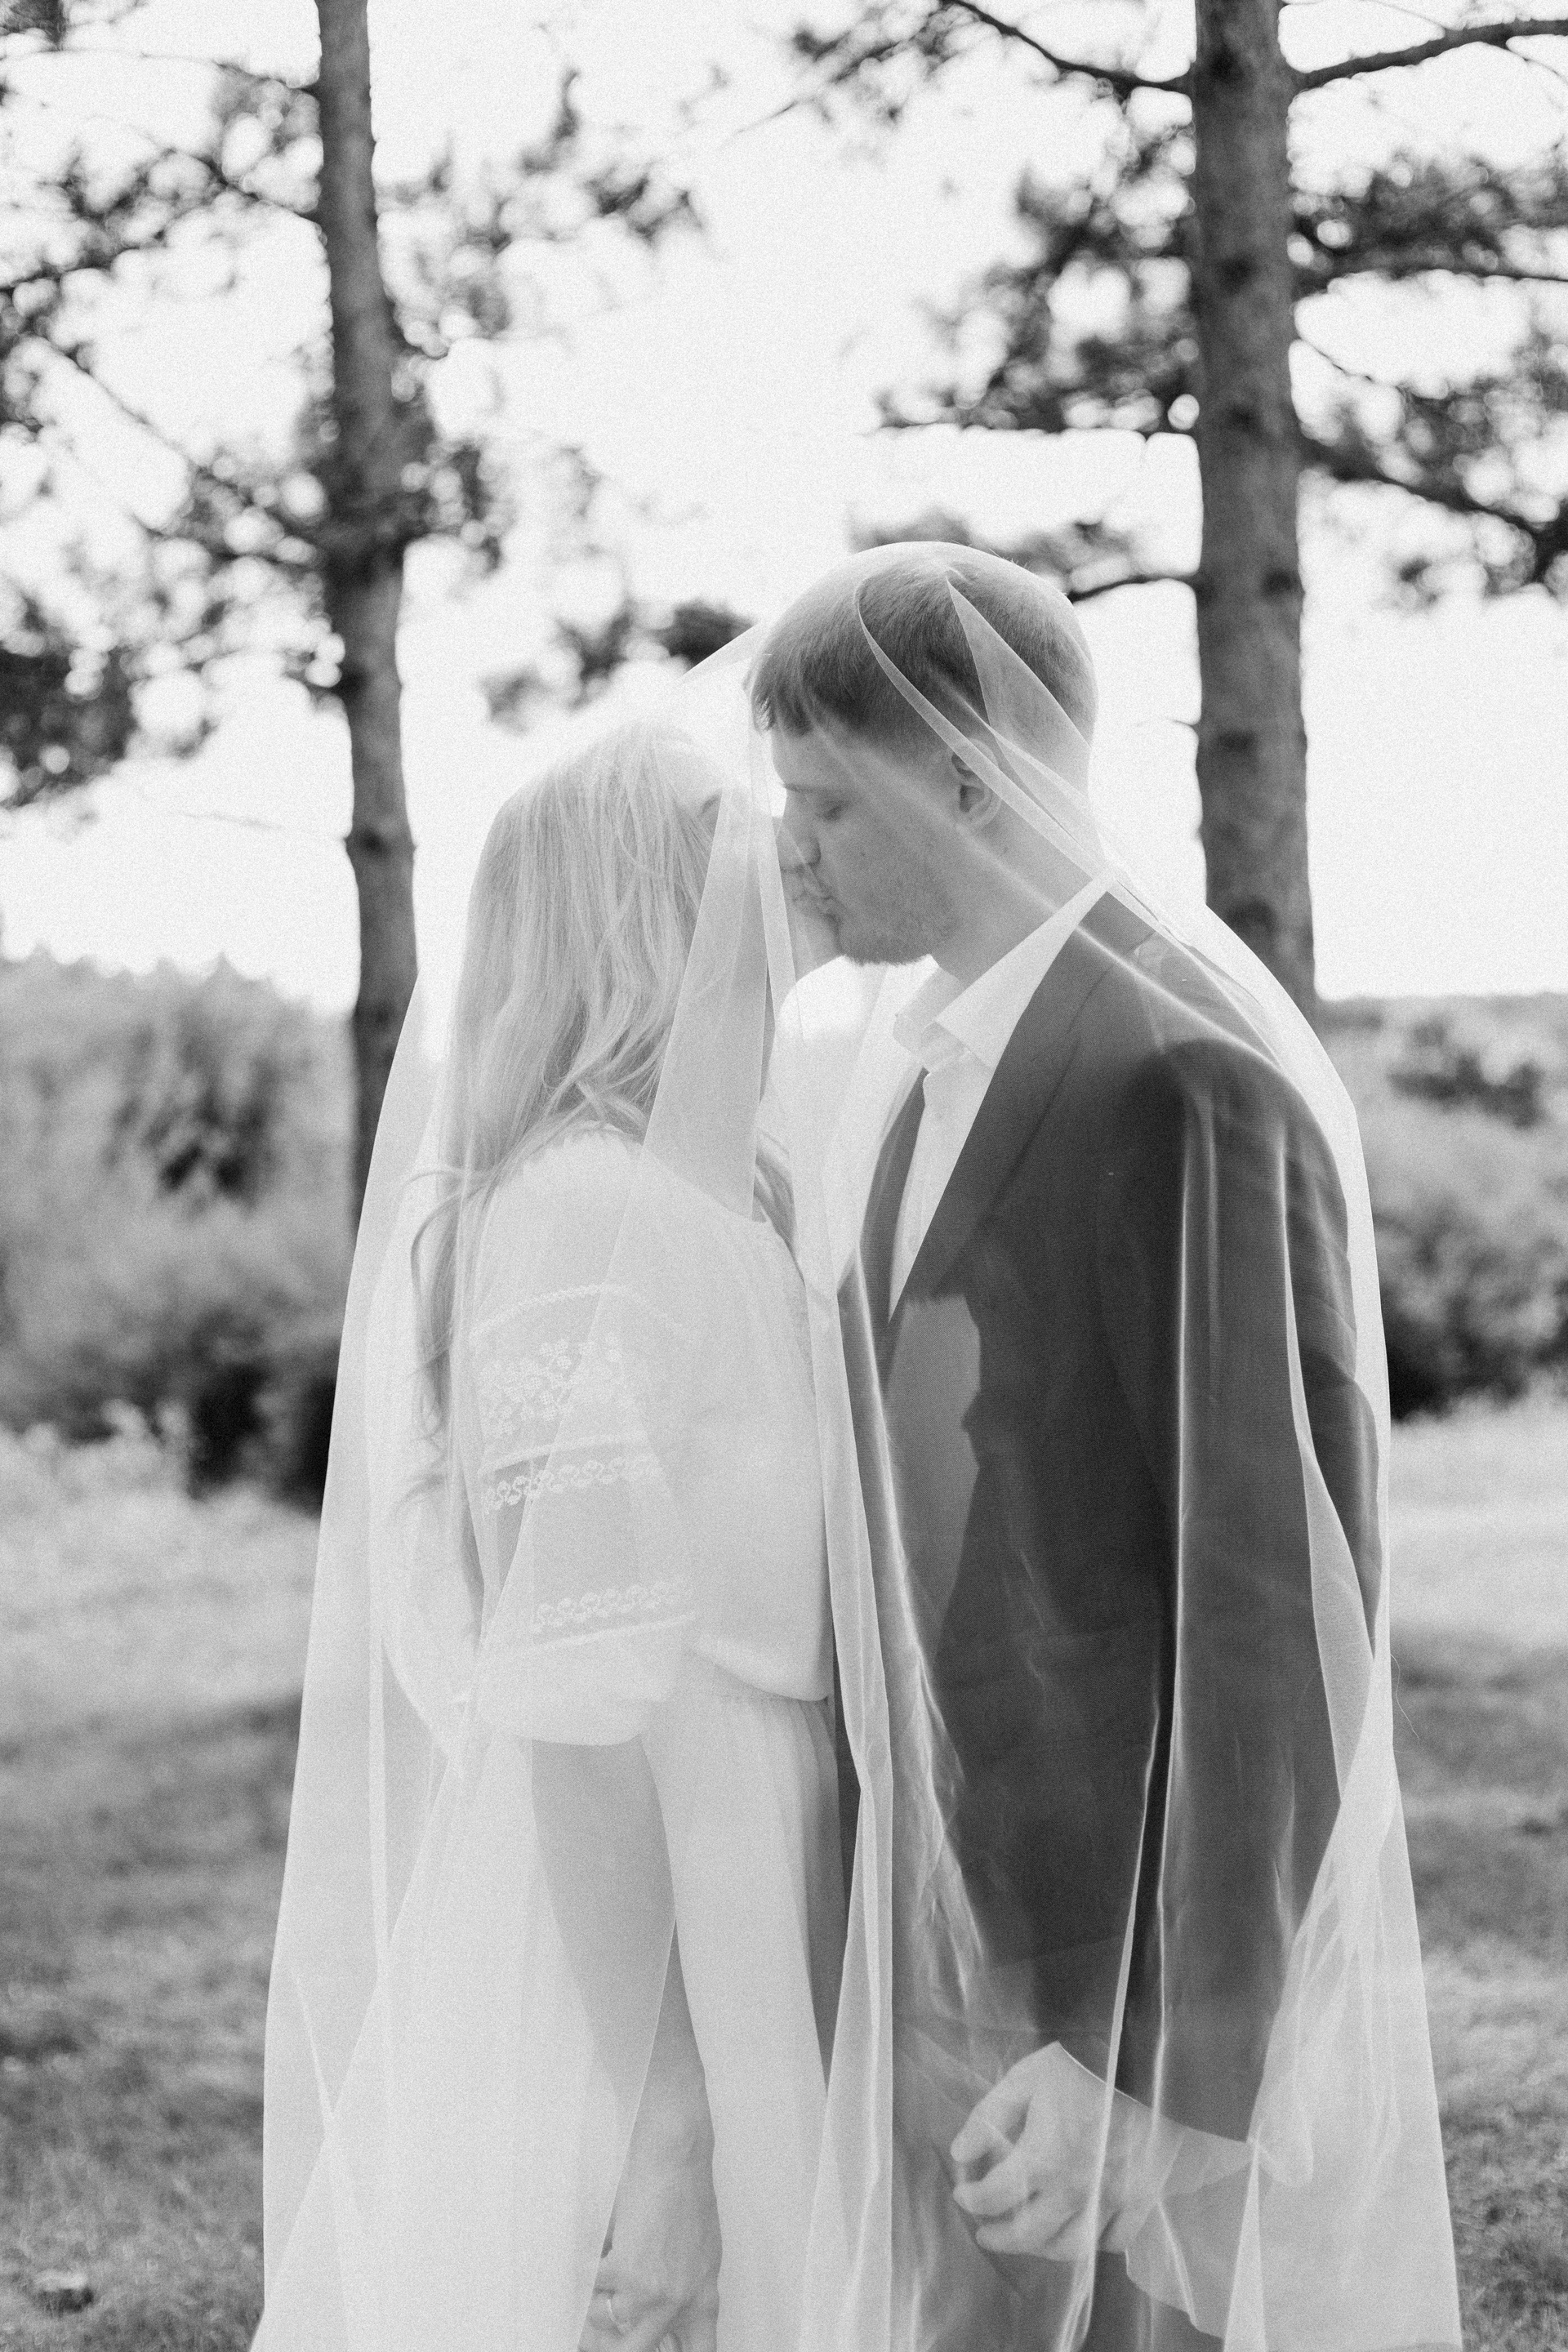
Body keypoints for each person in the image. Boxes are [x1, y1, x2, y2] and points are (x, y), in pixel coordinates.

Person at [746, 542, 1461, 2350]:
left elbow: (1274, 1601)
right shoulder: (914, 1070)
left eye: (828, 803)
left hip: (1104, 1983)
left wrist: (1165, 2073)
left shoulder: (1178, 1069)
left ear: (966, 775)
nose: (792, 853)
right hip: (943, 1935)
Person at [255, 724, 843, 2352]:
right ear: (641, 909)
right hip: (651, 1912)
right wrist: (671, 2122)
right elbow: (577, 1709)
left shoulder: (749, 1198)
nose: (789, 845)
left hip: (777, 1855)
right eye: (733, 833)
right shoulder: (581, 1212)